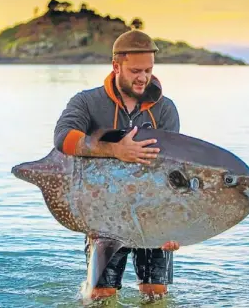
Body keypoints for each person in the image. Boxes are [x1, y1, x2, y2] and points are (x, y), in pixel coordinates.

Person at [53, 29, 181, 300]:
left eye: (148, 70)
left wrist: (172, 225)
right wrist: (114, 150)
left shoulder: (165, 109)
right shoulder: (87, 102)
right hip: (104, 216)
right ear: (116, 66)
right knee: (102, 294)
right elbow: (63, 138)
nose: (143, 77)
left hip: (152, 213)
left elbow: (172, 170)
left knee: (155, 293)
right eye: (135, 70)